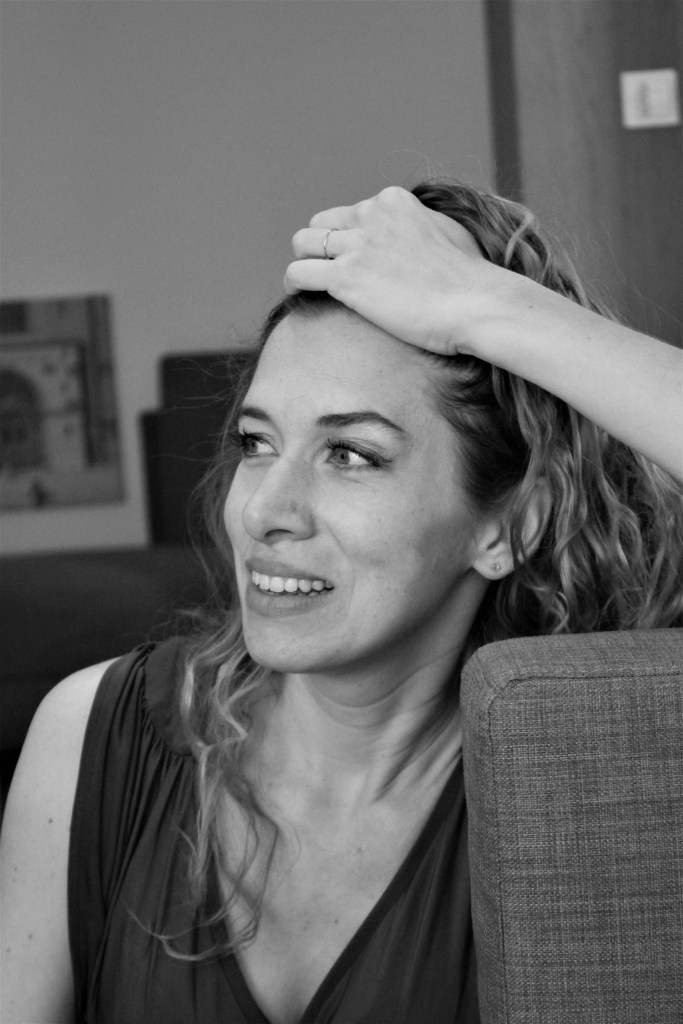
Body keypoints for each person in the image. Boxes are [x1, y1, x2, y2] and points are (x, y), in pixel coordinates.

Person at [1, 181, 682, 1024]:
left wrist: (485, 306)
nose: (264, 510)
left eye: (350, 454)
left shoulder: (592, 790)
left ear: (510, 525)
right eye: (257, 443)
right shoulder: (90, 739)